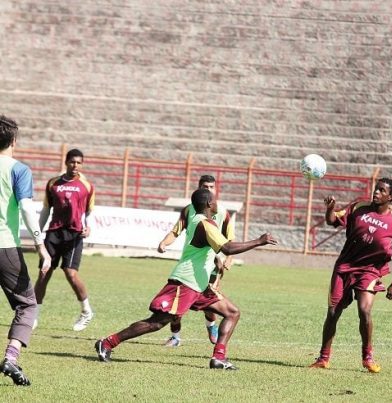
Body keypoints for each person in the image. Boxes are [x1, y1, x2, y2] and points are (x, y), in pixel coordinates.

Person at [95, 188, 277, 370]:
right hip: (185, 282)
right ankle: (108, 342)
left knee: (232, 313)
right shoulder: (204, 224)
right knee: (157, 322)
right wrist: (258, 241)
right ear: (208, 204)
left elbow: (206, 249)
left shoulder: (202, 222)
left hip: (199, 284)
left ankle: (219, 358)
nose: (216, 203)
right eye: (214, 200)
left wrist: (215, 261)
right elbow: (227, 248)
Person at [309, 178, 392, 373]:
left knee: (364, 310)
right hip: (345, 267)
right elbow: (332, 221)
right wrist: (330, 208)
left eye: (382, 190)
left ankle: (367, 357)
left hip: (369, 271)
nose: (376, 193)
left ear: (391, 197)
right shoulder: (358, 207)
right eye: (376, 189)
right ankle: (323, 358)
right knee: (333, 313)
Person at [0, 115, 51, 386]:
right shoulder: (18, 169)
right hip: (4, 247)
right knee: (27, 304)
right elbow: (27, 210)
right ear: (14, 140)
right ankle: (10, 357)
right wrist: (41, 245)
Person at [157, 175, 234, 347]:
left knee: (210, 303)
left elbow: (230, 240)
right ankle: (175, 337)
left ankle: (211, 326)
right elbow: (176, 231)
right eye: (205, 186)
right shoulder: (188, 210)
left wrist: (229, 258)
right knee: (176, 305)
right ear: (198, 188)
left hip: (213, 266)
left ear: (216, 189)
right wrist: (164, 242)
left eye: (211, 187)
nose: (208, 189)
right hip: (190, 263)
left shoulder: (221, 212)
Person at [34, 148, 95, 331]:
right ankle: (34, 315)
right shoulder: (53, 183)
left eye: (79, 162)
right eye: (72, 162)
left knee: (70, 273)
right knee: (44, 273)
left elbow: (89, 211)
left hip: (74, 234)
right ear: (66, 162)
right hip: (54, 233)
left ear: (81, 164)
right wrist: (37, 232)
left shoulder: (87, 186)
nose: (75, 165)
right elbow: (46, 209)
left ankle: (86, 311)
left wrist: (89, 226)